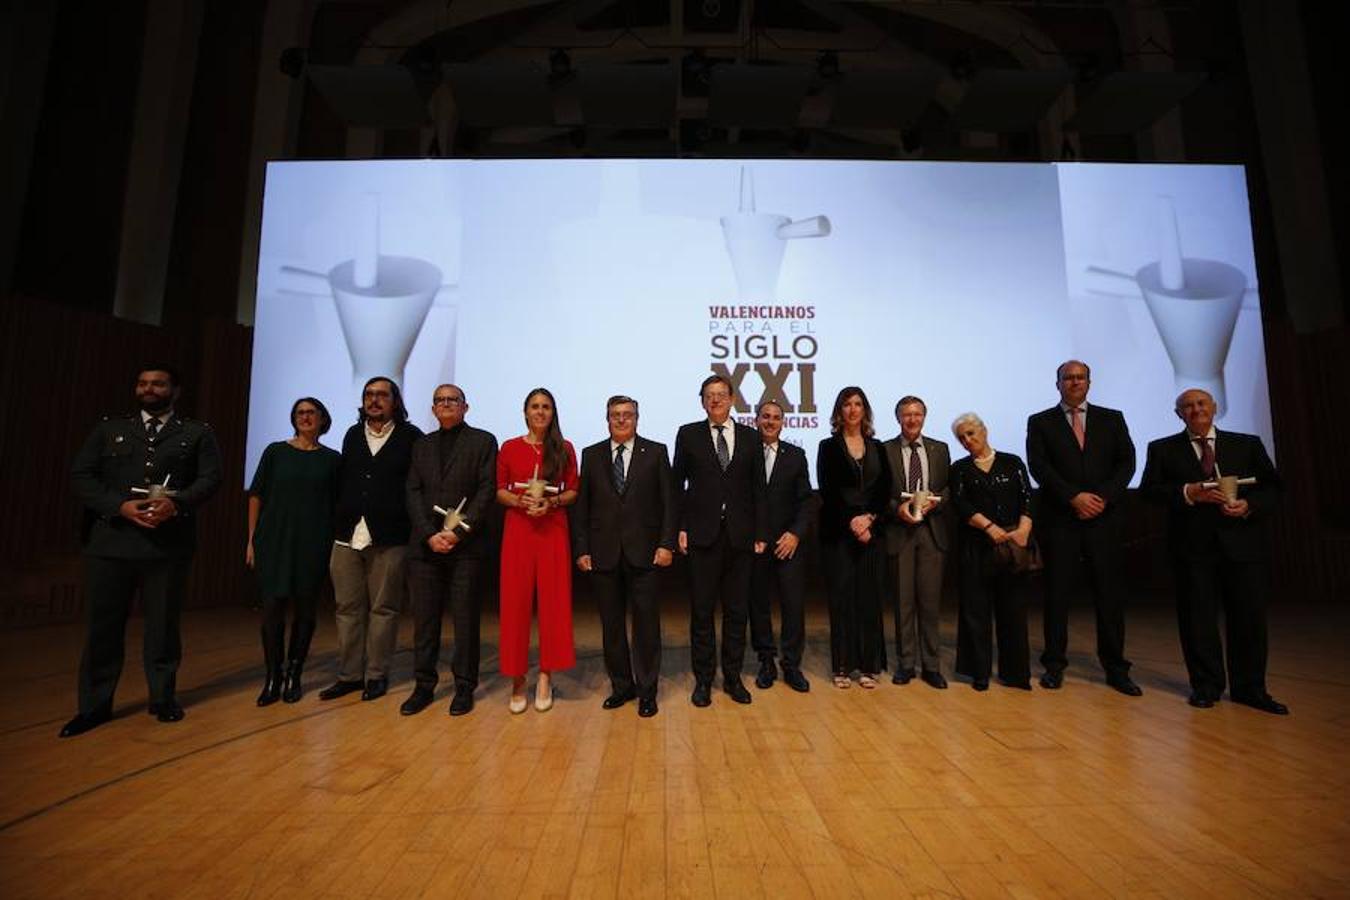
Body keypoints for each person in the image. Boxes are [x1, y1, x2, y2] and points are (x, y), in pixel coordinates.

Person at [61, 365, 223, 737]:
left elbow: (210, 479)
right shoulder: (109, 429)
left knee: (163, 626)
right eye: (143, 383)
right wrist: (119, 506)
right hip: (111, 542)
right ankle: (94, 706)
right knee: (103, 629)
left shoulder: (196, 433)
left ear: (175, 391)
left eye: (158, 383)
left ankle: (163, 698)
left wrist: (177, 503)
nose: (149, 389)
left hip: (166, 545)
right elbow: (82, 476)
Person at [1140, 388, 1286, 714]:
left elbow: (1273, 488)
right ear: (1179, 414)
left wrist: (1249, 505)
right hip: (1192, 548)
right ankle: (1206, 686)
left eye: (1201, 404)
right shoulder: (1163, 449)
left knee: (1249, 619)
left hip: (1242, 545)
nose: (1196, 410)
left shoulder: (1246, 444)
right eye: (1188, 406)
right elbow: (1149, 492)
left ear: (1214, 408)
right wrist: (1188, 492)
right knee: (1197, 620)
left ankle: (1251, 688)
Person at [1026, 360, 1140, 695]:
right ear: (1057, 383)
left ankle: (1116, 667)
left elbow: (1127, 462)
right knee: (1057, 595)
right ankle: (1054, 665)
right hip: (1061, 520)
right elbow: (1039, 466)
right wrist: (1073, 497)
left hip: (1104, 520)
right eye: (1068, 378)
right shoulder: (1041, 421)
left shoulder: (1112, 419)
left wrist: (1101, 497)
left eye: (1080, 378)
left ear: (1089, 383)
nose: (1074, 383)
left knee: (1109, 597)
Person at [321, 377, 423, 703]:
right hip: (347, 535)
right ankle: (349, 675)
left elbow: (416, 486)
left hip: (390, 536)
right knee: (347, 608)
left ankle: (376, 674)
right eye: (369, 394)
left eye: (382, 395)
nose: (374, 400)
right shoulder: (352, 435)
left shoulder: (411, 437)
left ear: (395, 401)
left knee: (384, 609)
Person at [574, 395, 677, 718]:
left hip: (645, 553)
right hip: (603, 554)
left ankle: (647, 691)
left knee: (646, 626)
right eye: (615, 415)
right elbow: (582, 508)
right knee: (612, 627)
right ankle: (622, 687)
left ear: (637, 418)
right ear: (607, 419)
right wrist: (582, 549)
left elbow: (669, 503)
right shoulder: (591, 455)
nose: (621, 420)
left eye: (627, 414)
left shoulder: (656, 452)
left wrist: (666, 544)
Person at [401, 385, 497, 717]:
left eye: (452, 400)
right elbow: (412, 492)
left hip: (465, 548)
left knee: (465, 620)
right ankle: (423, 686)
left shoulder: (483, 442)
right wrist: (430, 535)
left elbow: (486, 492)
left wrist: (455, 534)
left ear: (465, 407)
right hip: (426, 548)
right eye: (440, 401)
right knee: (424, 622)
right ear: (432, 408)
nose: (446, 405)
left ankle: (464, 687)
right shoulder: (421, 445)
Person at [672, 374, 768, 707]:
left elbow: (759, 490)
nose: (715, 400)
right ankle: (703, 680)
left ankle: (733, 677)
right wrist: (680, 527)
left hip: (741, 538)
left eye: (721, 395)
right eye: (709, 395)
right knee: (701, 613)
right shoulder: (688, 435)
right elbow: (677, 487)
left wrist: (760, 533)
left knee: (737, 612)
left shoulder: (751, 437)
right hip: (702, 536)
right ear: (702, 401)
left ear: (732, 399)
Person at [246, 397, 340, 706]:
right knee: (272, 609)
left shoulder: (332, 459)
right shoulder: (275, 452)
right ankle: (273, 676)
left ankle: (294, 674)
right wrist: (251, 540)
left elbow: (336, 504)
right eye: (300, 413)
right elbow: (256, 495)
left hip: (313, 542)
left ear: (323, 419)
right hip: (273, 539)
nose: (305, 417)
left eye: (311, 413)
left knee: (305, 611)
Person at [496, 388, 578, 713]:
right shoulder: (510, 447)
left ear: (553, 412)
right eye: (535, 406)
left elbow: (573, 490)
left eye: (546, 407)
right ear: (525, 412)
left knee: (554, 604)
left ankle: (545, 674)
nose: (540, 412)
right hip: (518, 531)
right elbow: (499, 490)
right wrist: (520, 501)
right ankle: (518, 678)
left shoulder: (565, 448)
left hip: (552, 530)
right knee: (515, 604)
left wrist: (552, 502)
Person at [949, 412, 1034, 692]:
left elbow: (1027, 498)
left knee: (1013, 610)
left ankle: (1016, 673)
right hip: (976, 546)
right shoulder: (960, 468)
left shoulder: (1012, 462)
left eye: (971, 434)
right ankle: (979, 672)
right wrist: (988, 527)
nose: (967, 441)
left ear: (984, 431)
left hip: (1012, 544)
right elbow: (960, 504)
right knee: (976, 611)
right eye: (962, 437)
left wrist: (1022, 530)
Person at [817, 387, 892, 690]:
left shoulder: (878, 447)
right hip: (839, 532)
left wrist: (870, 519)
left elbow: (885, 489)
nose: (852, 409)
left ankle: (867, 666)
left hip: (872, 533)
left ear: (865, 410)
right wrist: (853, 522)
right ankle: (842, 666)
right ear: (839, 411)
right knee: (842, 600)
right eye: (846, 404)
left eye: (858, 404)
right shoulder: (828, 446)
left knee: (869, 600)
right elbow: (828, 489)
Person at [883, 395, 950, 689]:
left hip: (931, 532)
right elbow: (880, 491)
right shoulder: (885, 450)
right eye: (906, 415)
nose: (912, 419)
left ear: (924, 417)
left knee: (931, 603)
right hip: (901, 532)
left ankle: (932, 666)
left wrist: (938, 501)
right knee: (903, 602)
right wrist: (896, 508)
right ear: (898, 418)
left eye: (917, 414)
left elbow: (948, 487)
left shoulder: (939, 449)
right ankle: (906, 663)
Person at [749, 400, 815, 693]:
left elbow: (806, 501)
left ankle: (791, 664)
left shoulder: (796, 455)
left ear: (783, 423)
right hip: (754, 544)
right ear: (756, 420)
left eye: (776, 418)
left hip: (789, 544)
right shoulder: (744, 453)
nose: (771, 422)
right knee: (758, 605)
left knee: (793, 605)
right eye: (765, 417)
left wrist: (795, 535)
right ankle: (766, 661)